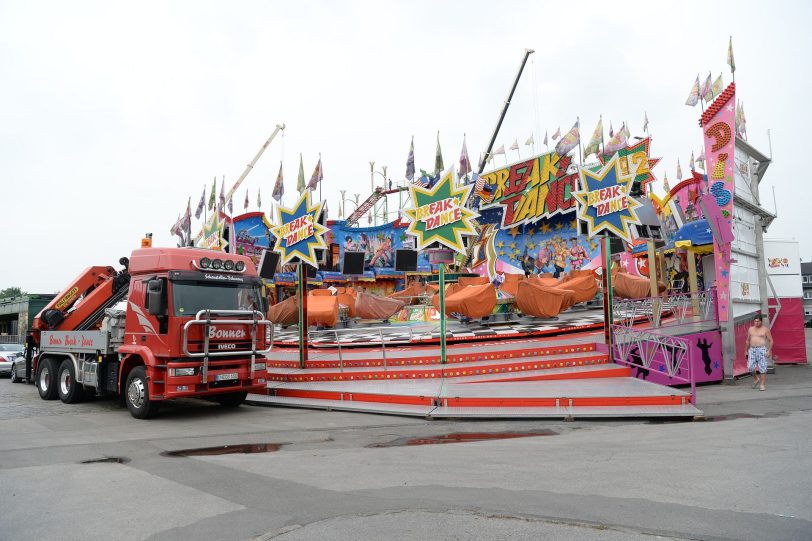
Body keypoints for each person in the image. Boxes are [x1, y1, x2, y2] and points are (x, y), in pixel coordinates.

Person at [745, 314, 772, 391]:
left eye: (758, 321)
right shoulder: (750, 329)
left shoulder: (765, 329)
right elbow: (747, 341)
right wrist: (745, 351)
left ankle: (762, 384)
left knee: (762, 368)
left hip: (762, 349)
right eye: (755, 321)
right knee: (750, 367)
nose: (756, 323)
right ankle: (756, 379)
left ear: (761, 321)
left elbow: (771, 341)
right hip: (752, 349)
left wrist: (769, 351)